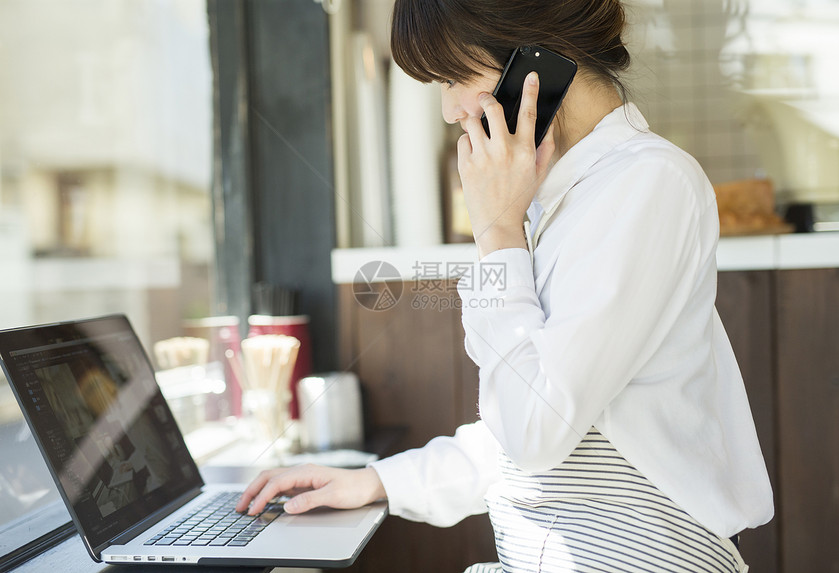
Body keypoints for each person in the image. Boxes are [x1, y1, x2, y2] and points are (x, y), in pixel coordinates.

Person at [236, 0, 774, 571]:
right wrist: (375, 482)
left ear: (531, 55)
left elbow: (534, 430)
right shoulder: (555, 198)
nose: (448, 110)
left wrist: (497, 233)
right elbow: (520, 440)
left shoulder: (647, 183)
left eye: (452, 77)